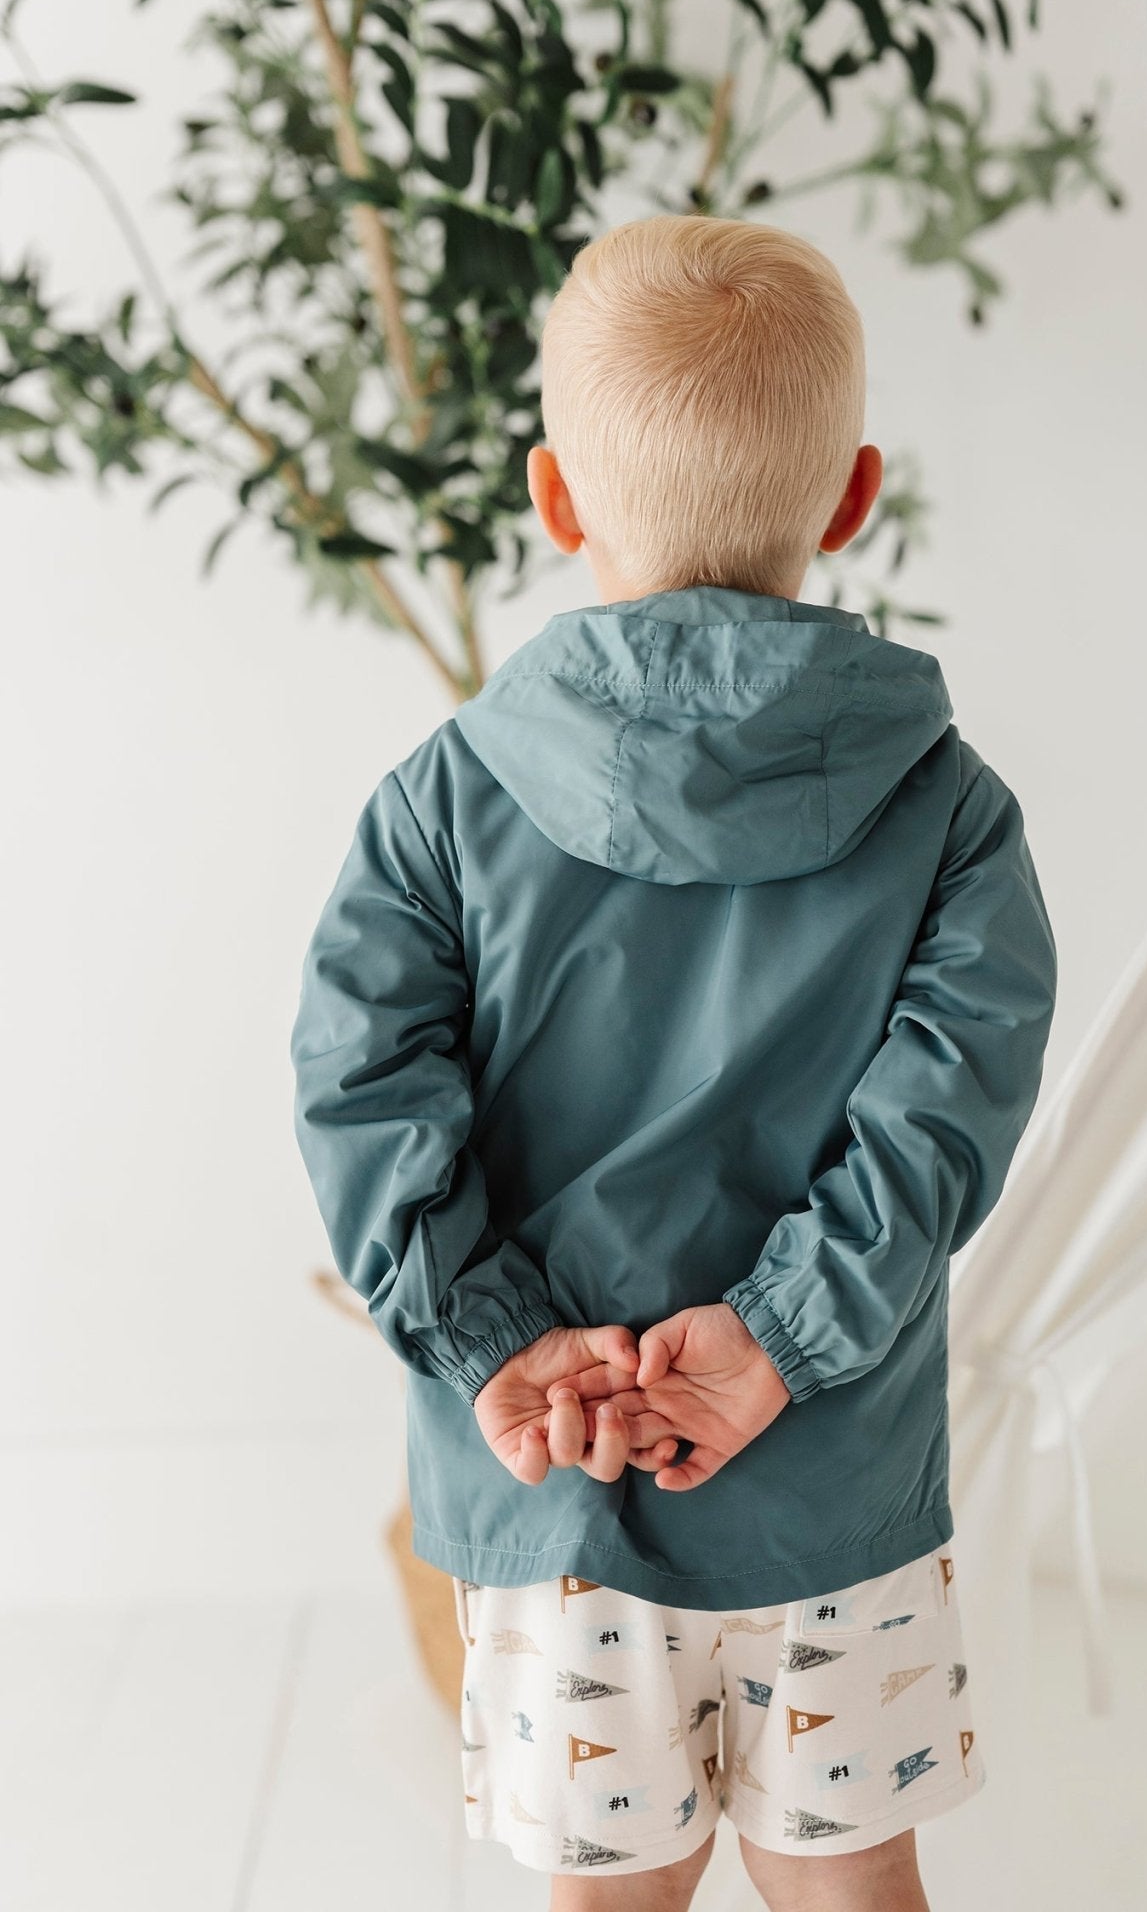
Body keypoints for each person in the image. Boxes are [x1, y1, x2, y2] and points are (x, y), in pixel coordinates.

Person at [289, 214, 1058, 1911]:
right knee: (853, 1880)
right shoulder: (949, 810)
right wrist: (780, 1337)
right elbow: (947, 1108)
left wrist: (499, 1345)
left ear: (555, 503)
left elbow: (360, 1086)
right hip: (830, 1487)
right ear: (854, 498)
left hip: (558, 1481)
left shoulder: (440, 799)